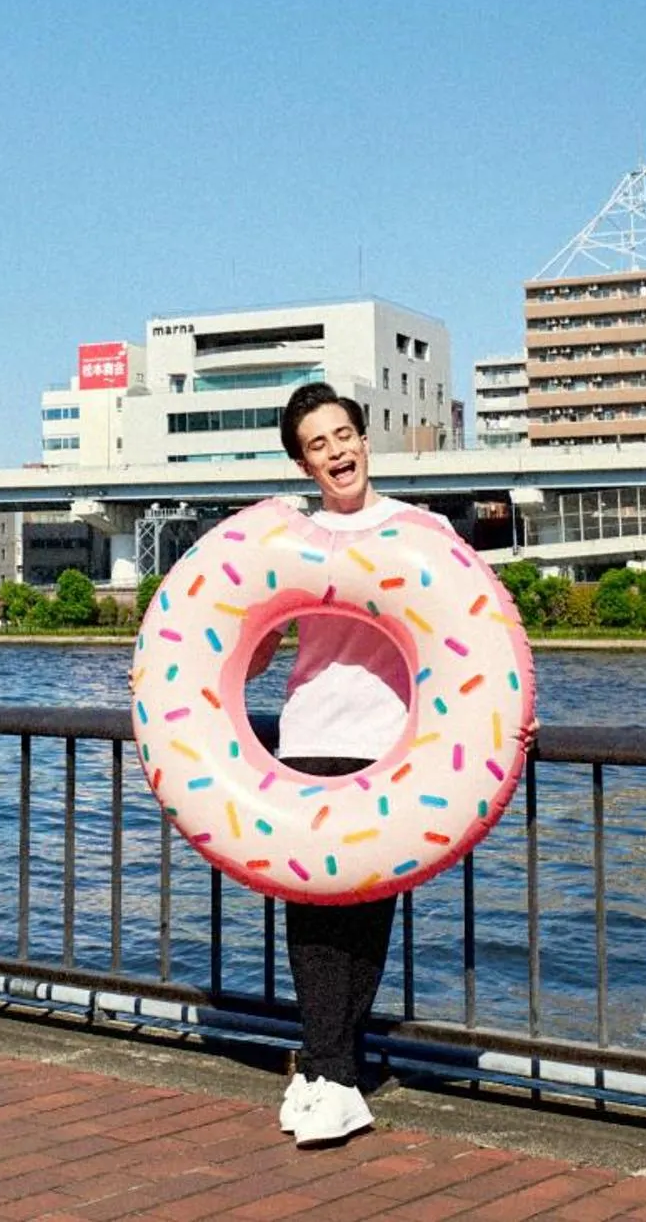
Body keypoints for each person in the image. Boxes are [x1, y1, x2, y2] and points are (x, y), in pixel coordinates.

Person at [248, 381, 411, 1148]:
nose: (337, 451)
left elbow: (476, 636)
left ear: (364, 440)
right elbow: (247, 652)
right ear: (303, 461)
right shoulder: (294, 544)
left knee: (365, 913)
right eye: (318, 443)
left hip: (388, 744)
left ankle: (330, 1073)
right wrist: (163, 673)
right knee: (312, 914)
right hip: (310, 734)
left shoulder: (420, 532)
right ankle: (328, 1072)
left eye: (344, 434)